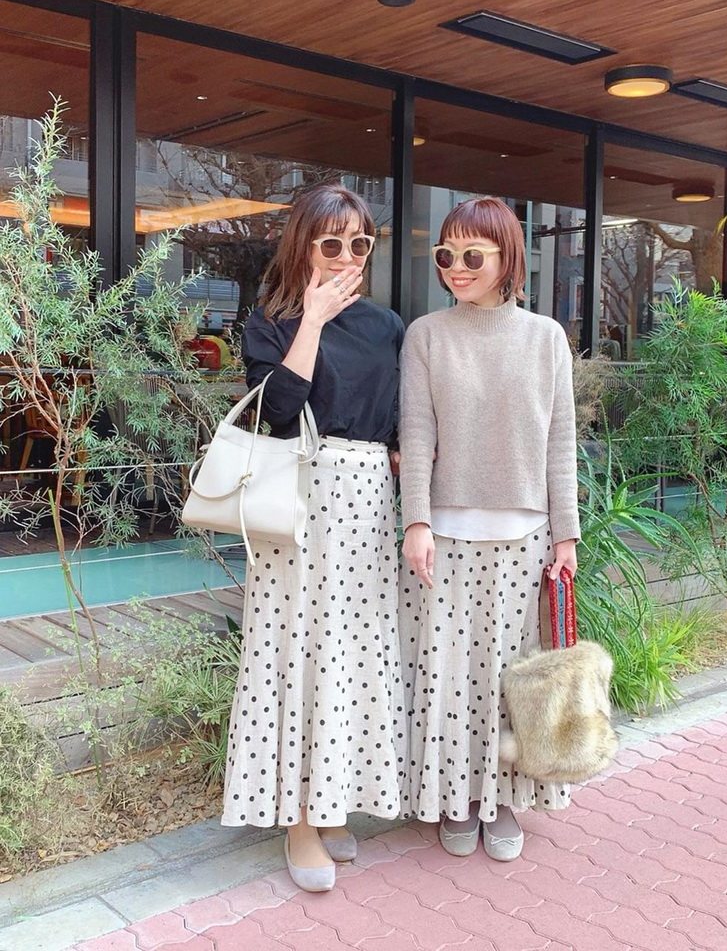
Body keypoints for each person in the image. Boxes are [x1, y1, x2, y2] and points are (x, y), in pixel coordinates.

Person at [221, 184, 406, 893]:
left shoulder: (386, 325)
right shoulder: (270, 322)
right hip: (300, 498)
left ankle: (332, 802)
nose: (348, 256)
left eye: (360, 243)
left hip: (368, 502)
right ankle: (298, 819)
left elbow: (396, 419)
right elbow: (276, 410)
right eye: (332, 242)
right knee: (298, 653)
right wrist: (315, 320)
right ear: (303, 244)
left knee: (349, 655)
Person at [398, 196, 580, 862]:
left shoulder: (546, 337)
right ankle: (457, 797)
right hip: (445, 536)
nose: (456, 267)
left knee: (511, 677)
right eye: (445, 254)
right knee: (449, 676)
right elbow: (416, 433)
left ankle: (502, 799)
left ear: (508, 259)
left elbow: (561, 440)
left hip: (525, 536)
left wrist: (567, 535)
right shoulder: (426, 334)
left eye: (472, 255)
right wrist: (416, 520)